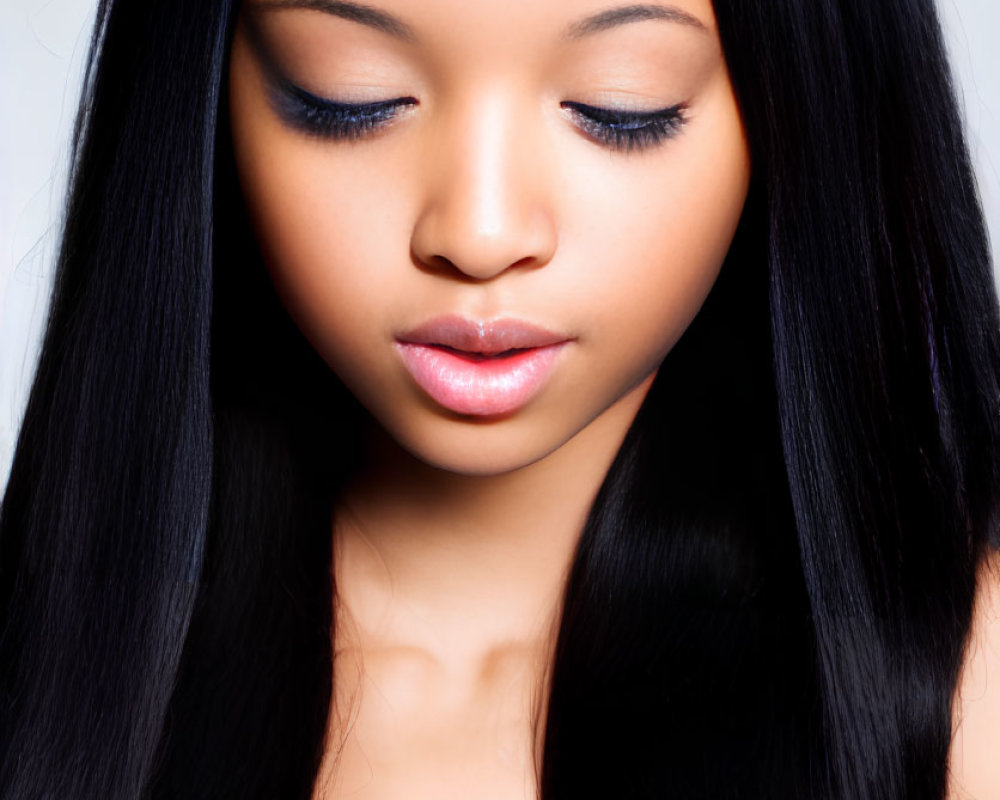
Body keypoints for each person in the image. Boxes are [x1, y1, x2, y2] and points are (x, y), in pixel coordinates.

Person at [1, 0, 998, 798]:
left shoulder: (965, 685)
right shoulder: (51, 672)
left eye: (621, 106)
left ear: (802, 108)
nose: (478, 233)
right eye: (349, 96)